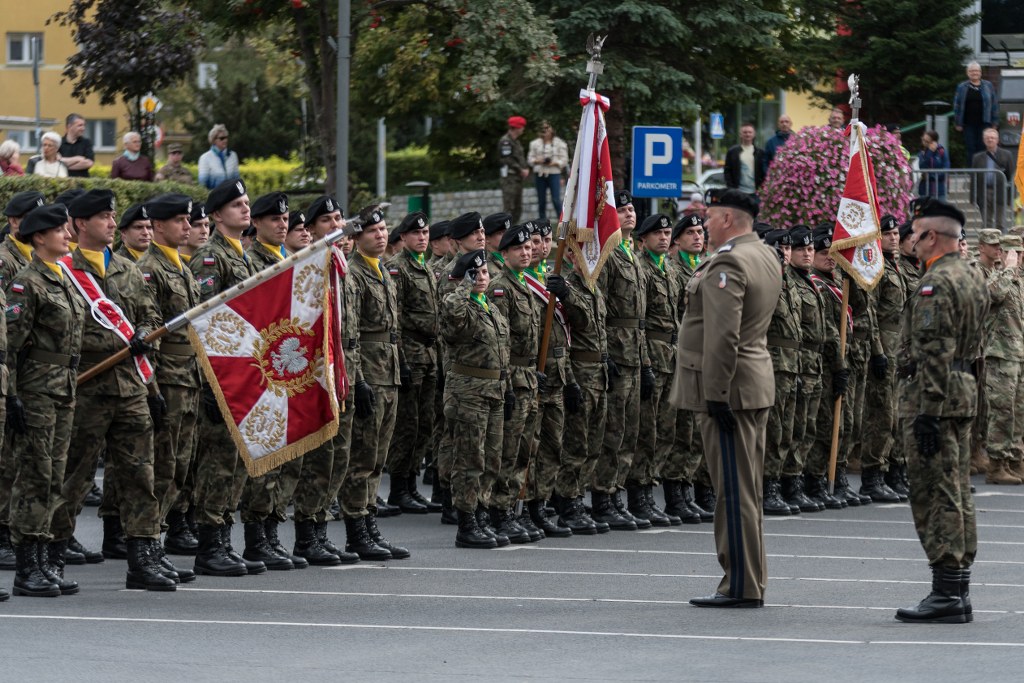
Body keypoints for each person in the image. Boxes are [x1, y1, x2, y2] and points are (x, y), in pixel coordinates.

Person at [49, 189, 181, 592]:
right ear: (80, 224)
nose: (111, 223)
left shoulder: (127, 268)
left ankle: (142, 557)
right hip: (87, 388)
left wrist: (143, 337)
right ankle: (51, 556)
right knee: (73, 475)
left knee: (140, 474)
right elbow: (58, 330)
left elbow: (151, 318)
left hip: (131, 387)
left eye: (112, 216)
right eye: (104, 217)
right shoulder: (64, 270)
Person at [669, 189, 781, 608]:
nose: (704, 225)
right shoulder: (764, 253)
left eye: (710, 217)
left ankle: (740, 585)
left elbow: (724, 334)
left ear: (729, 220)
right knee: (745, 488)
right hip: (751, 383)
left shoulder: (730, 260)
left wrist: (715, 394)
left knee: (733, 491)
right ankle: (749, 579)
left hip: (728, 389)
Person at [894, 196, 988, 624]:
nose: (911, 240)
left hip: (936, 395)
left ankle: (946, 591)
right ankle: (958, 589)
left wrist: (928, 411)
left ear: (931, 235)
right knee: (957, 488)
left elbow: (933, 349)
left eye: (915, 233)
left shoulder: (936, 283)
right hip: (962, 389)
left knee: (935, 492)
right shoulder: (971, 275)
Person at [4, 203, 85, 597]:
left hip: (63, 388)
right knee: (34, 474)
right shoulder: (26, 283)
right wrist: (12, 396)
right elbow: (11, 347)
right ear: (39, 237)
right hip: (36, 389)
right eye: (61, 231)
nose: (68, 236)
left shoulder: (64, 278)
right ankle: (26, 567)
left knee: (55, 474)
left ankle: (41, 559)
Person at [188, 178, 263, 578]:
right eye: (236, 205)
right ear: (216, 215)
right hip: (222, 375)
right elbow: (203, 324)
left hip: (246, 372)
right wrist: (209, 384)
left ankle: (224, 537)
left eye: (247, 203)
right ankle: (209, 543)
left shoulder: (244, 256)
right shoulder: (210, 259)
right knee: (217, 461)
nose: (245, 209)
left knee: (235, 462)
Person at [342, 205, 410, 561]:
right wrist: (360, 380)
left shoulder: (382, 271)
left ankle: (369, 524)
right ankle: (357, 529)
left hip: (389, 373)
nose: (381, 235)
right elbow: (351, 334)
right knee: (363, 457)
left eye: (384, 229)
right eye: (372, 231)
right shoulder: (354, 275)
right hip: (368, 373)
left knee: (378, 458)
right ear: (356, 238)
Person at [440, 250, 511, 548]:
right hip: (468, 392)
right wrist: (463, 285)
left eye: (483, 273)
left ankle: (481, 514)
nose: (481, 277)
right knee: (470, 459)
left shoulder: (491, 309)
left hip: (494, 391)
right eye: (474, 273)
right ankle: (466, 522)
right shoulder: (460, 305)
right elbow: (452, 312)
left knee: (492, 459)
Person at [593, 190, 651, 531]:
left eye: (631, 210)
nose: (628, 214)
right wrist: (604, 353)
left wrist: (644, 362)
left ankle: (617, 493)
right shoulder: (609, 255)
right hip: (616, 350)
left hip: (636, 352)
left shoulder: (631, 255)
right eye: (623, 210)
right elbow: (599, 307)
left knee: (629, 429)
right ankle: (603, 497)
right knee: (612, 431)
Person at [485, 222, 542, 543]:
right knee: (507, 449)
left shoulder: (527, 284)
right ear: (503, 253)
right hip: (512, 377)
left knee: (524, 449)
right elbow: (500, 341)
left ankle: (512, 510)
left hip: (530, 376)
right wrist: (505, 383)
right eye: (518, 248)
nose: (526, 252)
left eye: (527, 247)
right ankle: (499, 511)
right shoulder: (501, 287)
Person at [385, 211, 441, 514]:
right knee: (406, 424)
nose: (422, 237)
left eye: (425, 233)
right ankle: (398, 487)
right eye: (416, 233)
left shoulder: (426, 268)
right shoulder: (397, 269)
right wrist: (401, 361)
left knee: (424, 423)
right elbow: (396, 318)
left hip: (429, 355)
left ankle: (410, 484)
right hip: (410, 352)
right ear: (403, 237)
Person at [628, 214, 682, 525]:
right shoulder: (643, 270)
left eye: (666, 232)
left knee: (666, 430)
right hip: (652, 355)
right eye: (657, 233)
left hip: (672, 356)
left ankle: (652, 490)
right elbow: (640, 322)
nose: (663, 238)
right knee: (646, 432)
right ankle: (640, 495)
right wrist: (645, 363)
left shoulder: (670, 271)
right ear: (643, 240)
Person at [861, 217, 909, 499]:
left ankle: (895, 470)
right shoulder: (876, 266)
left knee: (899, 415)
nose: (893, 238)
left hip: (900, 348)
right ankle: (872, 475)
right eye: (888, 234)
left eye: (895, 233)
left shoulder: (897, 267)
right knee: (882, 414)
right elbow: (871, 313)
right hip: (885, 349)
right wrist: (877, 351)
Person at [972, 229, 1024, 485]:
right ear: (1003, 253)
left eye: (1020, 252)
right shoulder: (996, 277)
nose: (1019, 258)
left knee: (1017, 412)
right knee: (1001, 412)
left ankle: (1015, 460)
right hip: (1000, 355)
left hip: (1018, 355)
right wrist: (1008, 268)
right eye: (1015, 253)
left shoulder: (1018, 280)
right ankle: (996, 464)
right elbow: (993, 295)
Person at [954, 62, 1000, 165]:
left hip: (985, 122)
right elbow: (957, 105)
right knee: (971, 148)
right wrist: (958, 123)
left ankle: (983, 174)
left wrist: (995, 122)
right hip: (968, 124)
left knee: (984, 147)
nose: (974, 73)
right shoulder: (962, 87)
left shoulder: (988, 85)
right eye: (972, 71)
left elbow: (994, 104)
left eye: (977, 71)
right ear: (967, 73)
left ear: (980, 72)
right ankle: (972, 174)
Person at [971, 128, 1016, 232]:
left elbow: (1012, 175)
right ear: (983, 140)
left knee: (1000, 222)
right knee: (986, 223)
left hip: (1001, 192)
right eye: (987, 138)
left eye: (992, 138)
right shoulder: (977, 157)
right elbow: (974, 178)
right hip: (984, 192)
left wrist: (1011, 196)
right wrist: (973, 198)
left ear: (997, 140)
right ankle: (988, 246)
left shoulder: (1006, 155)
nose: (990, 140)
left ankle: (1000, 246)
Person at [527, 121, 569, 221]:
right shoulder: (534, 143)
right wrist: (538, 160)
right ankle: (542, 224)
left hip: (554, 174)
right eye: (542, 128)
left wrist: (554, 163)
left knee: (556, 199)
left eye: (547, 128)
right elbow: (530, 159)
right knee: (541, 201)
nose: (544, 131)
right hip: (540, 174)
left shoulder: (560, 143)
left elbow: (564, 160)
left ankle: (562, 222)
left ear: (552, 130)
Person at [498, 116, 529, 224]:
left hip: (517, 178)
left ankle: (513, 230)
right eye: (522, 127)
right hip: (509, 178)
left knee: (517, 207)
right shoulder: (505, 141)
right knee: (509, 207)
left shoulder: (516, 142)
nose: (523, 129)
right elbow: (507, 159)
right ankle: (504, 233)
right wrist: (521, 169)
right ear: (516, 127)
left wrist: (525, 169)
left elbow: (519, 158)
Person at [723, 122, 764, 195]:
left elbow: (764, 172)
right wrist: (731, 188)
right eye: (745, 132)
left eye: (750, 132)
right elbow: (727, 171)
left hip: (756, 193)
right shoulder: (733, 152)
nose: (747, 134)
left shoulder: (760, 153)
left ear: (754, 134)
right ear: (740, 134)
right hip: (738, 192)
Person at [198, 124, 240, 190]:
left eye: (226, 137)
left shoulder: (233, 155)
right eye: (222, 138)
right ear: (214, 140)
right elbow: (202, 184)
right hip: (214, 197)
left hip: (231, 197)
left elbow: (237, 180)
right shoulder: (205, 158)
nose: (225, 140)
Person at [917, 130, 949, 200]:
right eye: (923, 140)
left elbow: (946, 169)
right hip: (924, 189)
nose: (924, 143)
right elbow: (922, 167)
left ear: (934, 142)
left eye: (927, 141)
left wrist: (931, 176)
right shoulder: (922, 152)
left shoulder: (941, 151)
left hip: (939, 189)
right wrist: (930, 152)